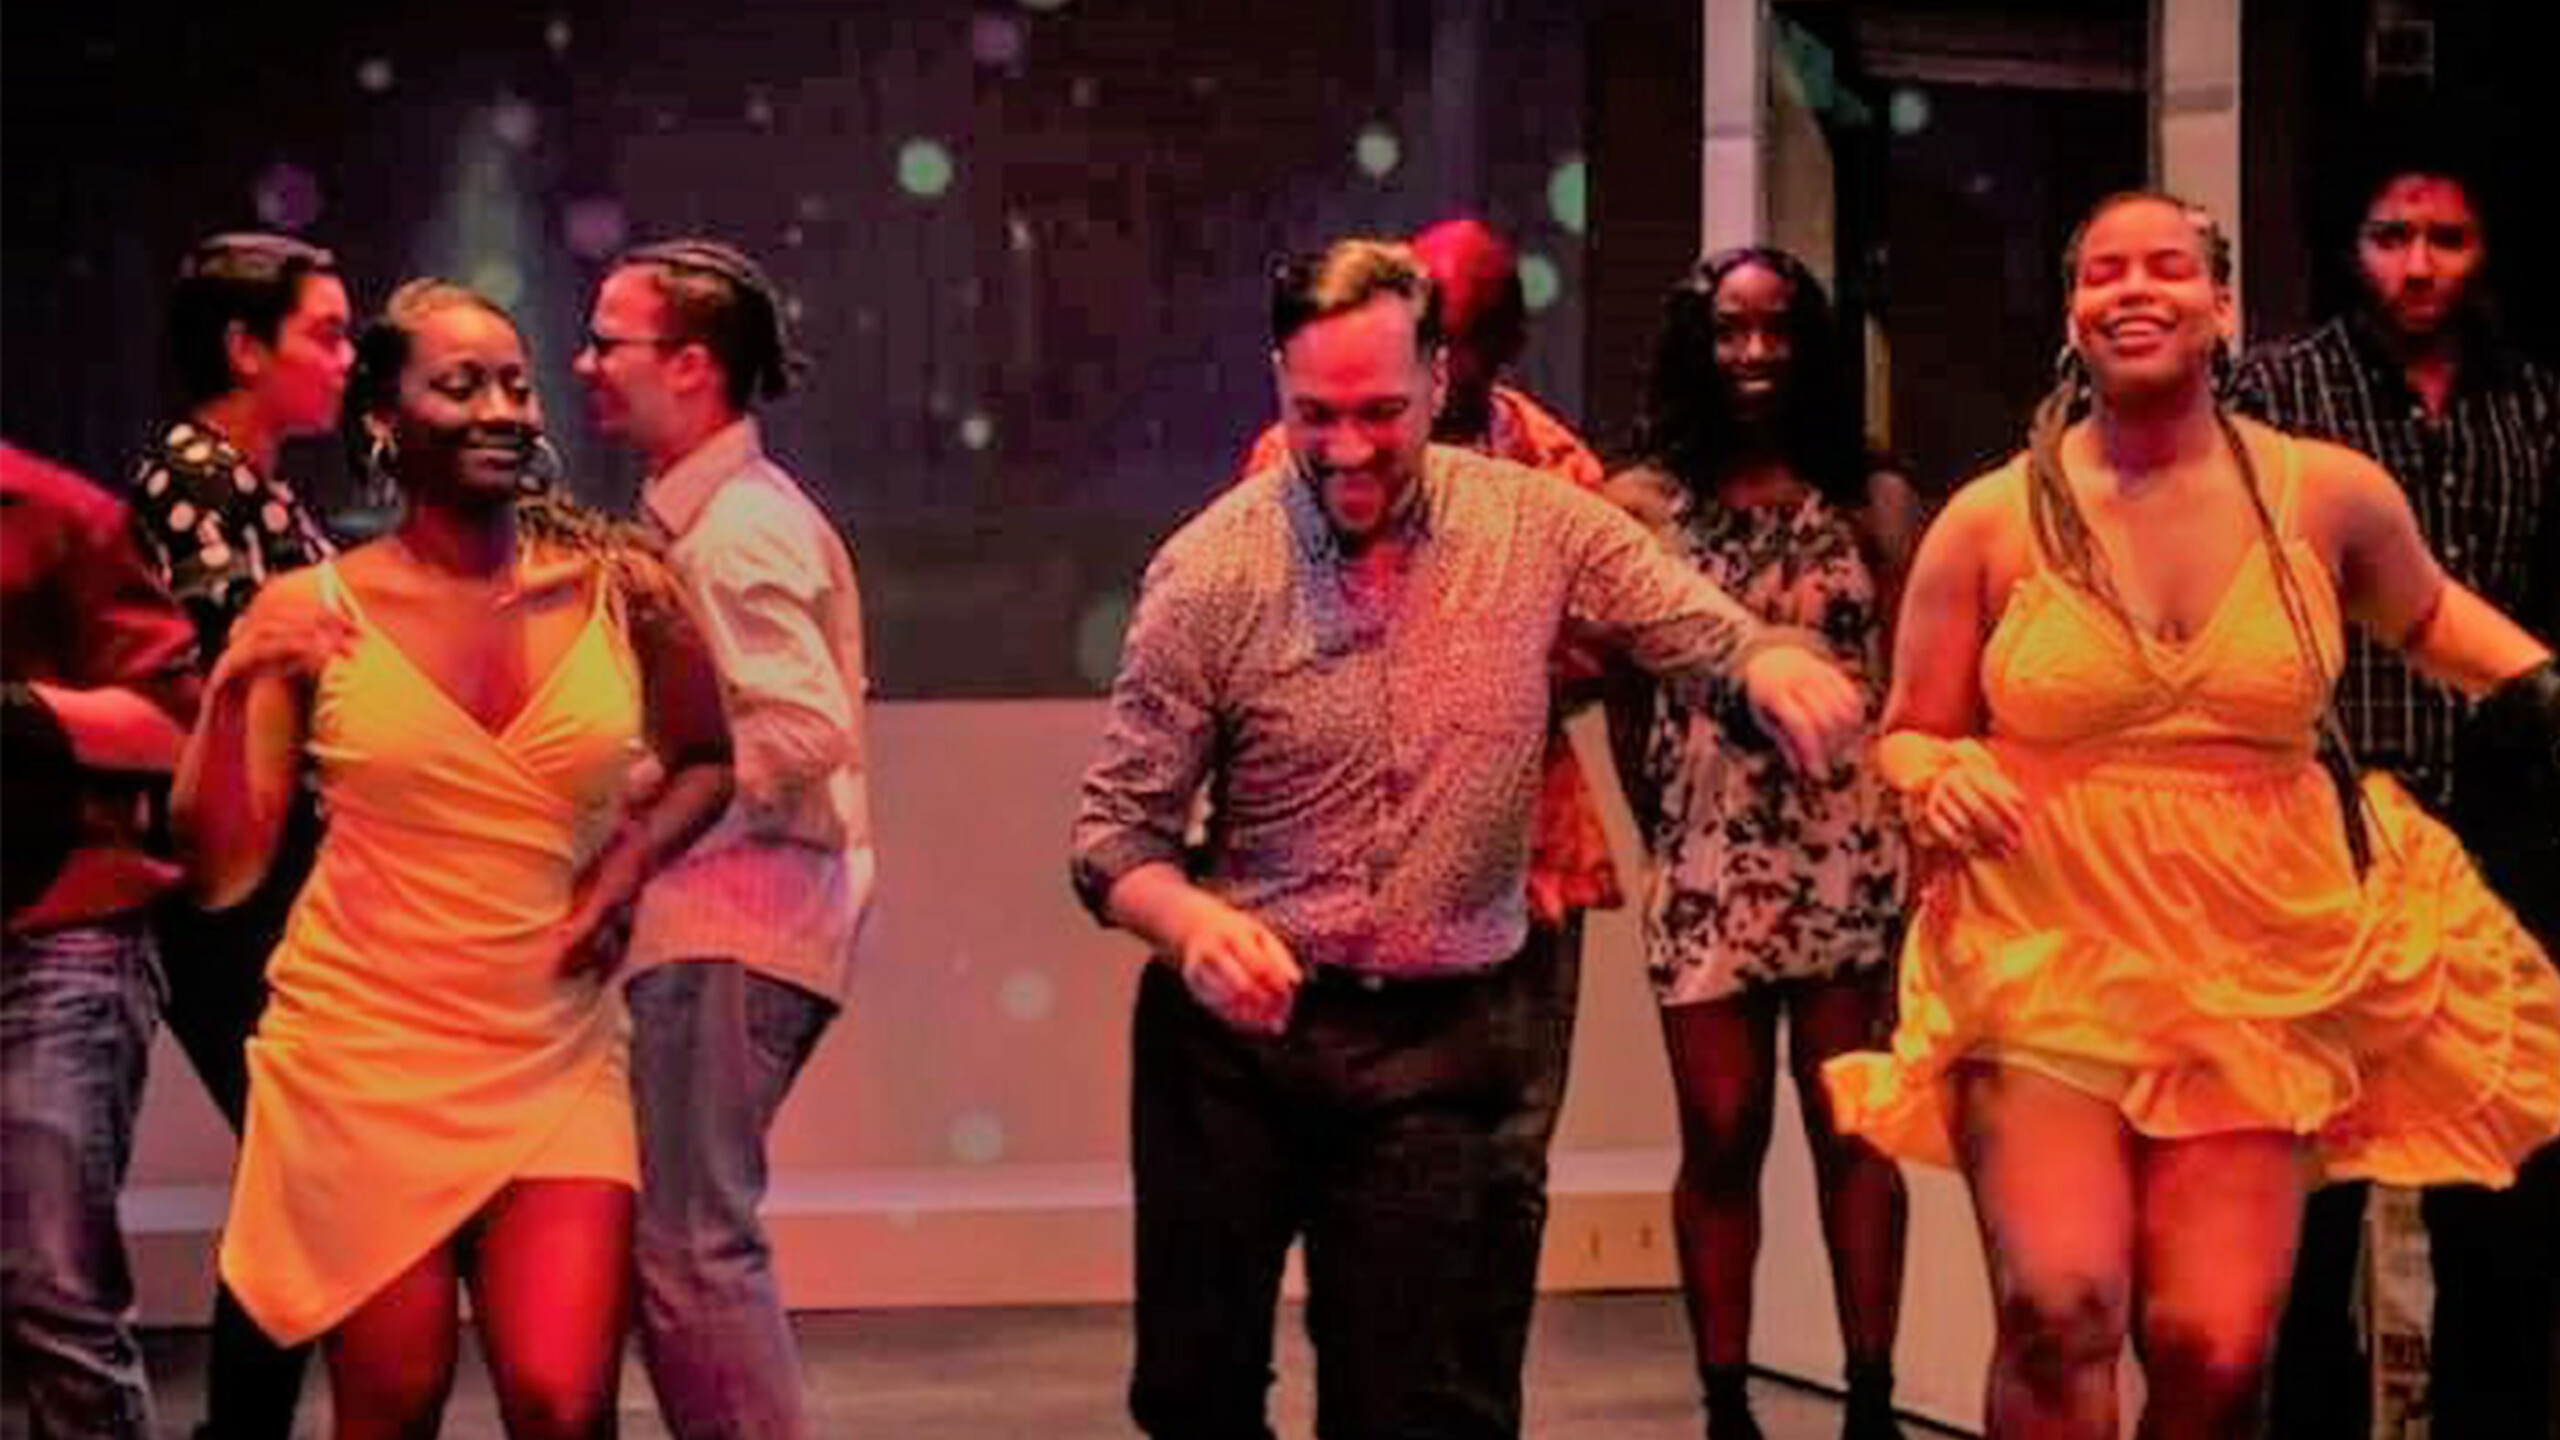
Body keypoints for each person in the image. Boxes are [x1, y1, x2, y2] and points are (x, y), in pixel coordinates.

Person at [1072, 237, 1865, 1440]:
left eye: (1379, 411)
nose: (1344, 447)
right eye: (1313, 413)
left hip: (1438, 1043)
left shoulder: (1540, 523)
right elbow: (1111, 839)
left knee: (1419, 1405)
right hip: (1236, 1047)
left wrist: (1773, 668)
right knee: (1193, 1395)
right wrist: (1188, 923)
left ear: (1440, 379)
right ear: (1276, 384)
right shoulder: (1209, 570)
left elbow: (1704, 632)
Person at [1819, 190, 2560, 1440]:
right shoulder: (1993, 518)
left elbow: (2426, 613)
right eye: (2104, 273)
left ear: (2225, 308)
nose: (2136, 290)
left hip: (2254, 960)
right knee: (2062, 1306)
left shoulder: (2326, 493)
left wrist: (2539, 683)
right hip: (2042, 945)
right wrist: (1930, 775)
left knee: (2211, 1350)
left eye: (2168, 267)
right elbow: (1903, 730)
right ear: (2072, 316)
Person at [174, 279, 733, 1439]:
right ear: (386, 417)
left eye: (518, 386)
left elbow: (705, 761)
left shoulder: (625, 587)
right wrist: (233, 682)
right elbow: (224, 868)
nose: (503, 409)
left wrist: (620, 874)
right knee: (394, 1399)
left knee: (563, 1400)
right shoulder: (312, 609)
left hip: (554, 1044)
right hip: (365, 1055)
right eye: (460, 384)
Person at [2230, 150, 2560, 1440]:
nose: (2417, 266)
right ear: (2344, 240)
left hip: (2491, 837)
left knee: (2501, 1187)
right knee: (2310, 1191)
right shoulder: (2273, 392)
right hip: (2317, 817)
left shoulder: (2533, 404)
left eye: (2447, 237)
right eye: (2388, 234)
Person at [1603, 247, 1917, 1440]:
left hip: (1847, 851)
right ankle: (1726, 1403)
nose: (1754, 352)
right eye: (1730, 330)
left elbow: (1913, 676)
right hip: (1707, 854)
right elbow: (1627, 685)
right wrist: (1665, 822)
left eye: (1777, 330)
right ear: (1697, 342)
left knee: (1855, 1130)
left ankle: (1872, 1401)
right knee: (1721, 1133)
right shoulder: (1639, 506)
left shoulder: (1871, 501)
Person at [574, 237, 874, 1440]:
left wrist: (646, 800)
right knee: (678, 1250)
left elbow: (802, 729)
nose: (587, 362)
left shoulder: (741, 529)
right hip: (720, 921)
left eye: (611, 340)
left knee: (693, 1249)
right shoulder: (699, 522)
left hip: (732, 920)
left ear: (691, 366)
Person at [125, 230, 353, 1440]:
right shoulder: (196, 478)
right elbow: (238, 682)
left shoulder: (251, 482)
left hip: (279, 882)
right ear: (242, 346)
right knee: (303, 1168)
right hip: (235, 888)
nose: (346, 356)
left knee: (304, 1171)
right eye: (324, 332)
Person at [3, 442, 201, 1440]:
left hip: (57, 926)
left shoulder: (55, 512)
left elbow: (174, 726)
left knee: (56, 1287)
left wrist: (18, 713)